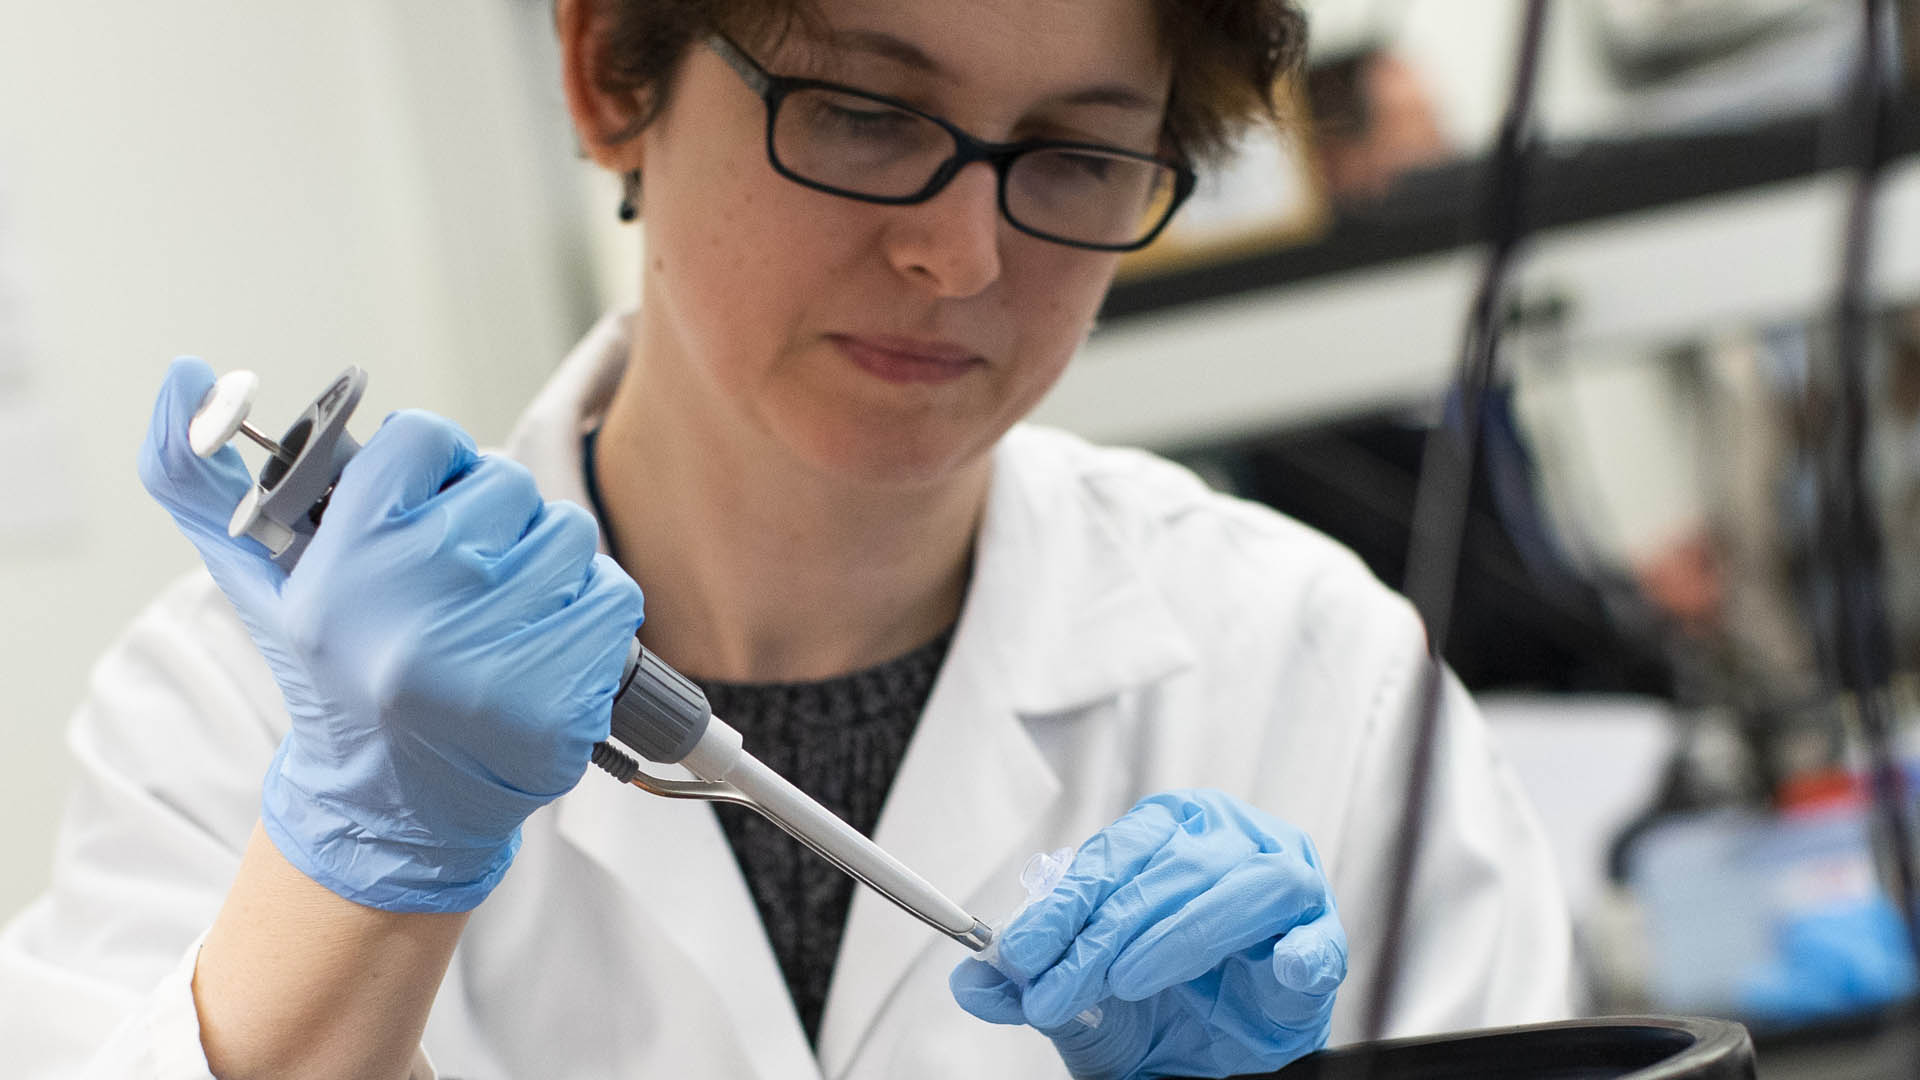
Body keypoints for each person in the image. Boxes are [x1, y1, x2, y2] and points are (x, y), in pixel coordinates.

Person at [0, 1, 1572, 1077]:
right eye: (868, 114)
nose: (960, 255)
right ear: (613, 71)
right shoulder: (237, 708)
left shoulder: (1314, 669)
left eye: (1079, 154)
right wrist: (356, 878)